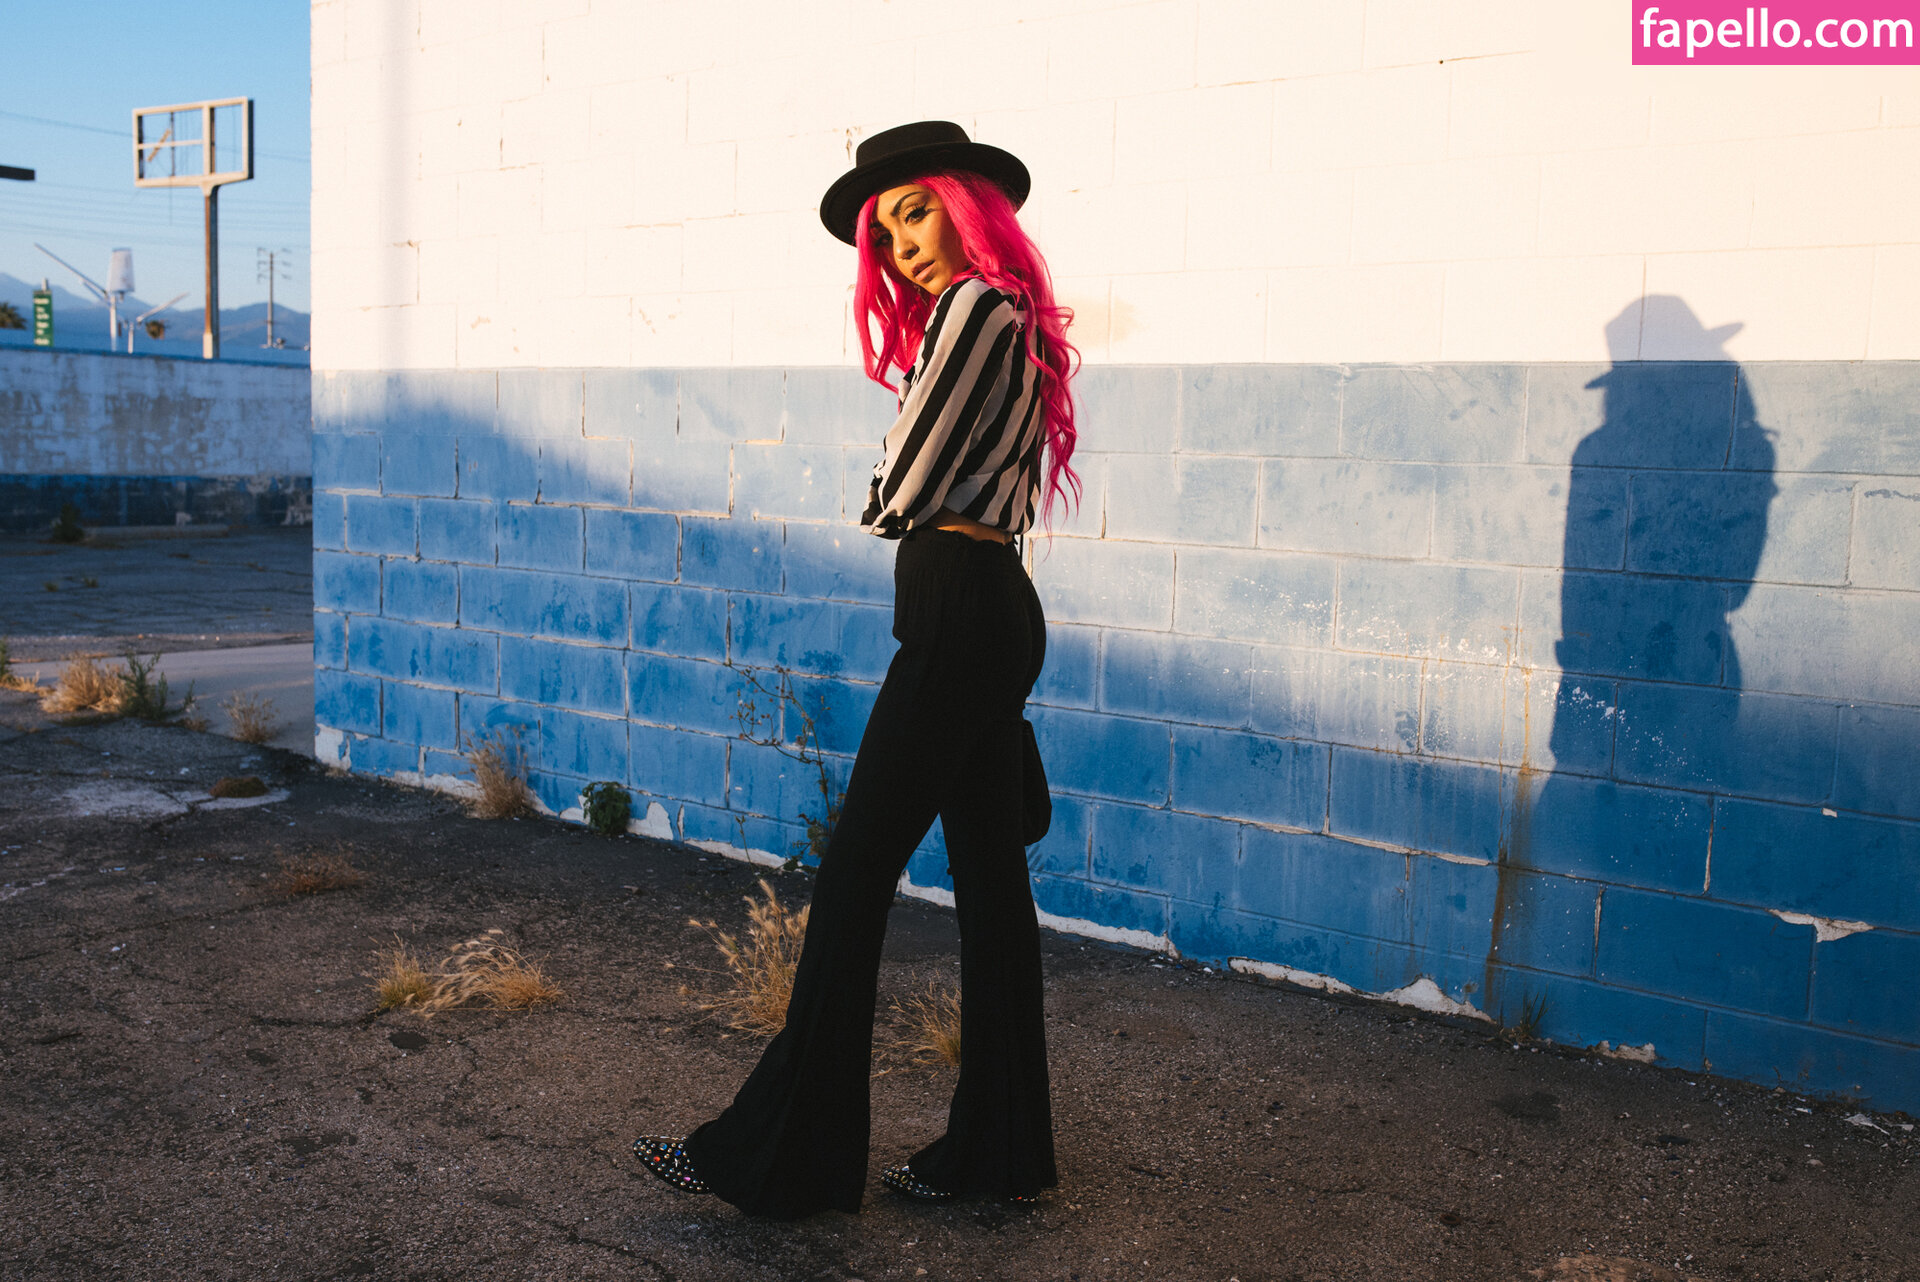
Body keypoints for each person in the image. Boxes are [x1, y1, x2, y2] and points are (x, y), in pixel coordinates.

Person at [633, 120, 1081, 1218]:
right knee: (990, 886)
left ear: (968, 206)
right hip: (986, 605)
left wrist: (882, 484)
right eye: (886, 235)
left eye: (916, 214)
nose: (903, 247)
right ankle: (999, 1154)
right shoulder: (1011, 316)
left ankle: (785, 1162)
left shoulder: (974, 309)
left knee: (853, 877)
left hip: (959, 609)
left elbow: (901, 485)